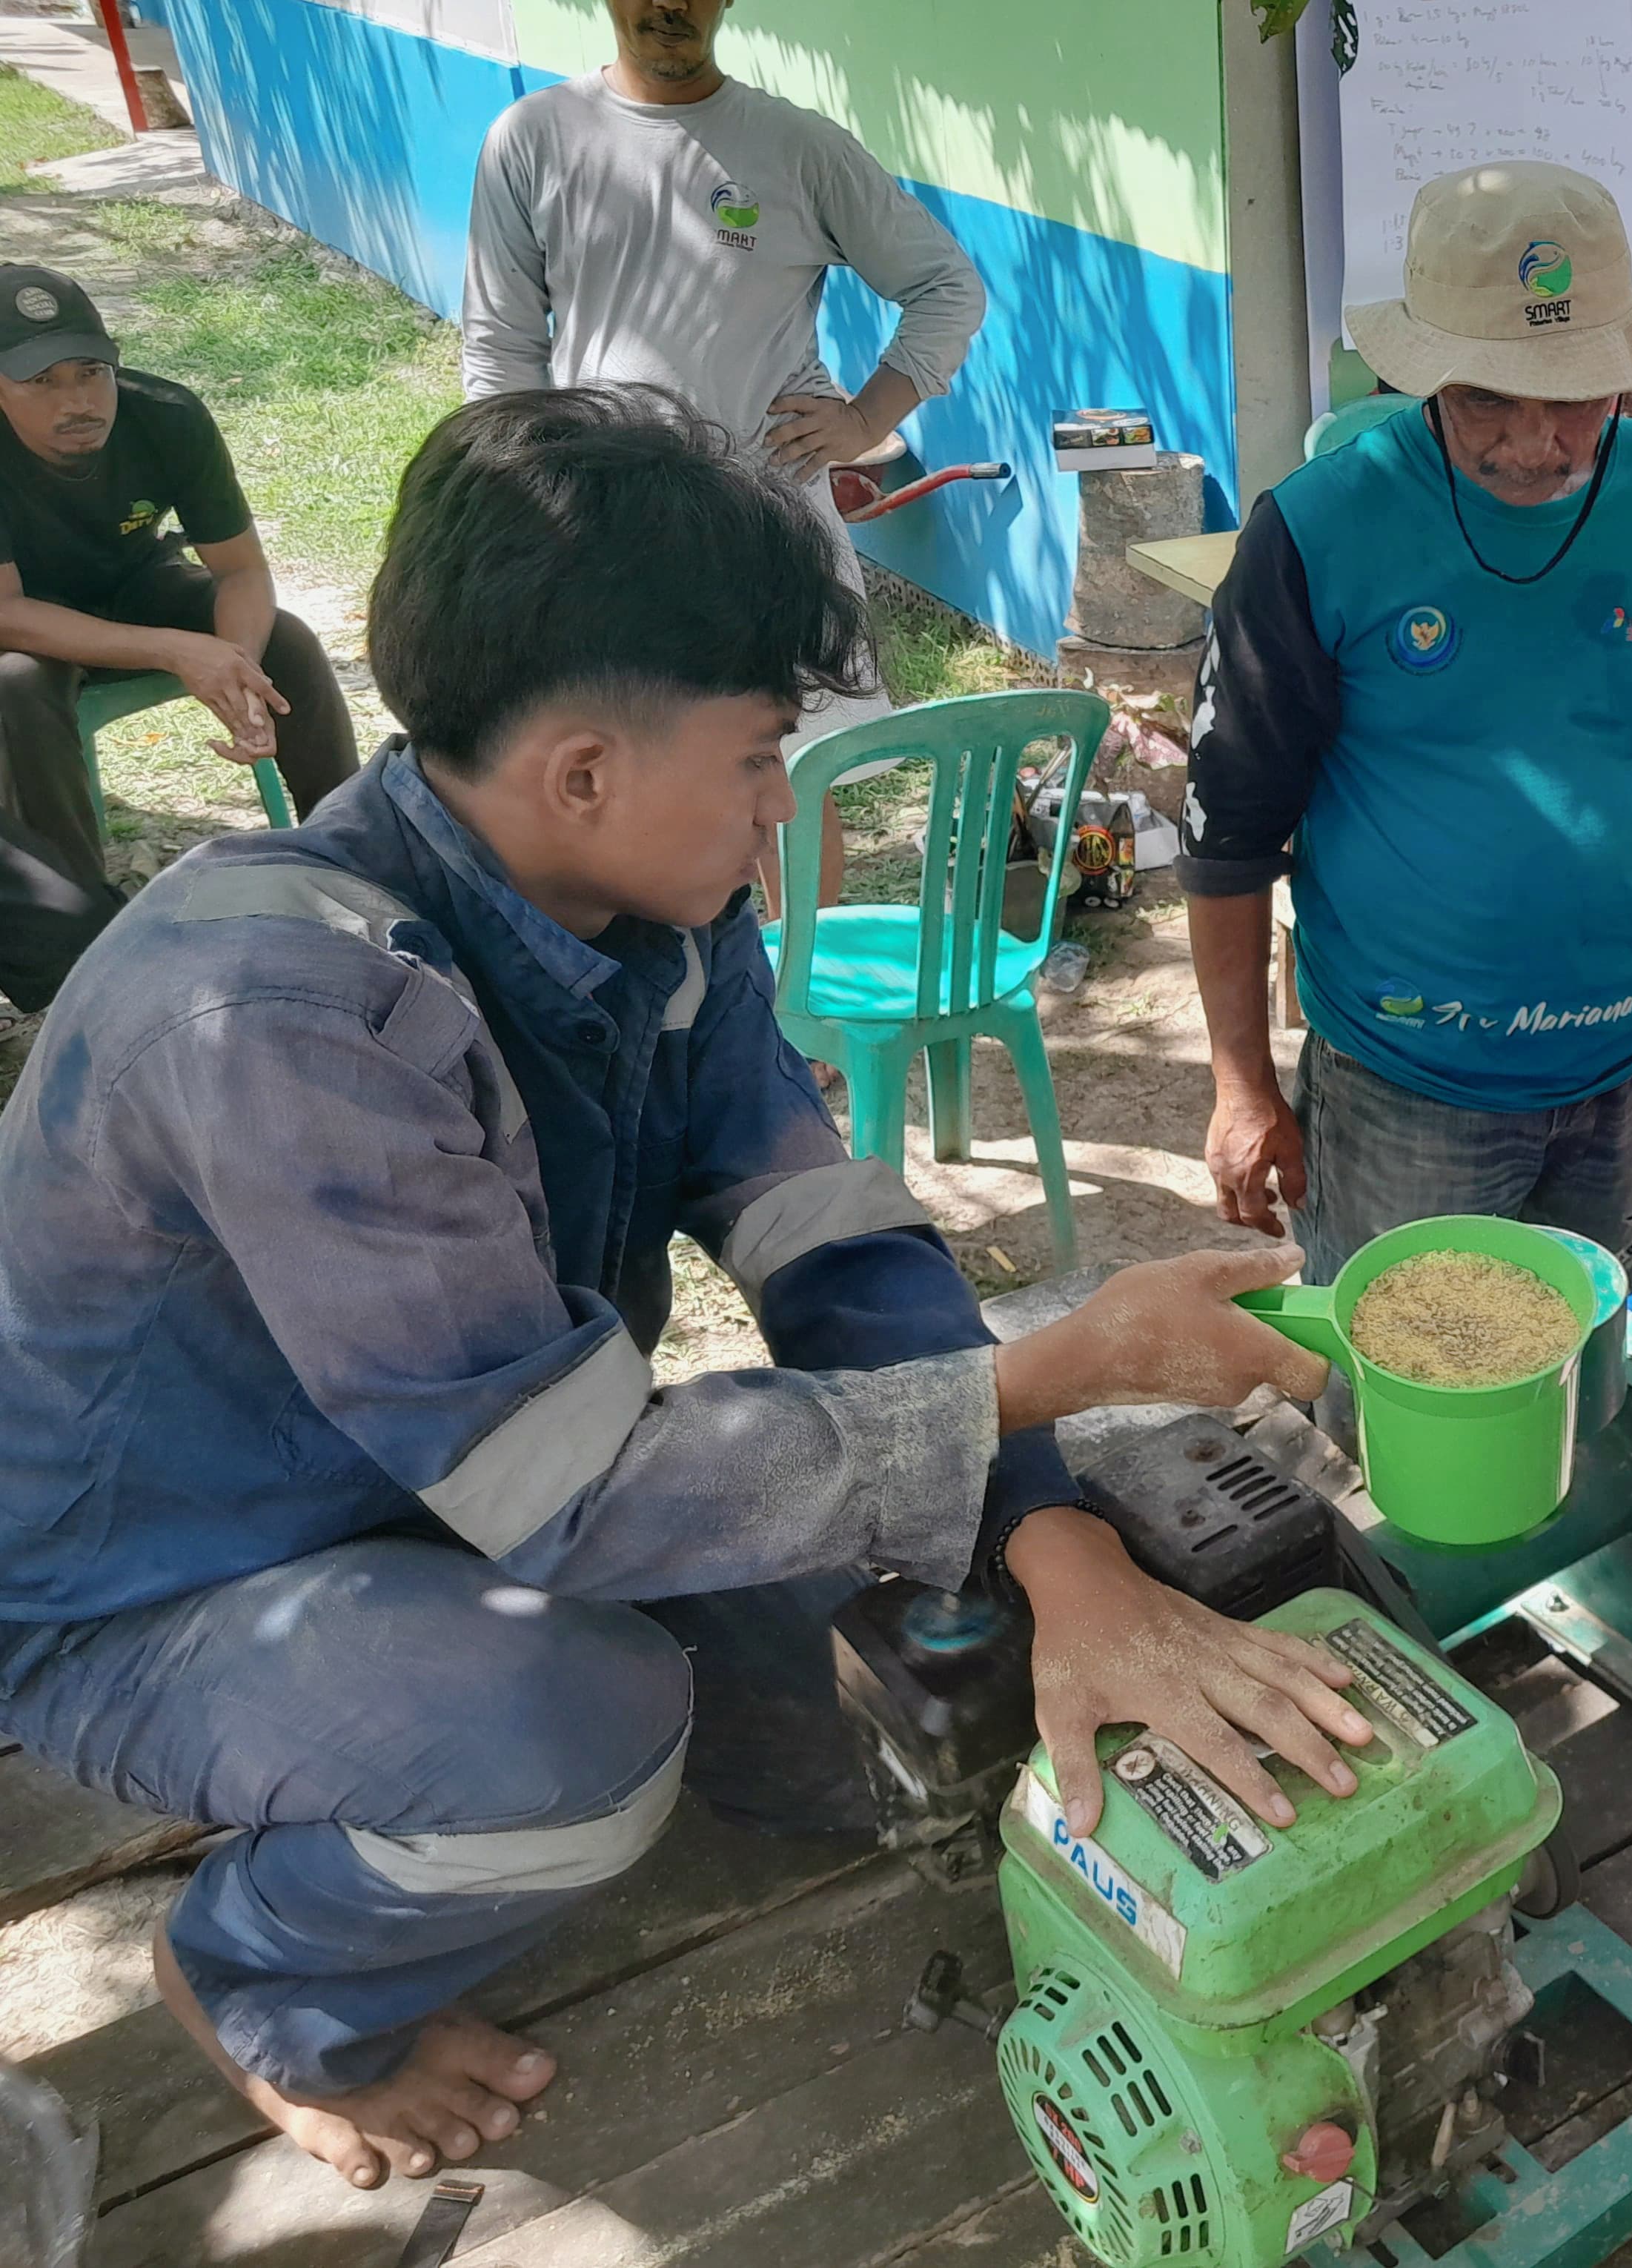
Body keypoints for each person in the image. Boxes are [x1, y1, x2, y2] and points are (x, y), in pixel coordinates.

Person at [0, 390, 1373, 2195]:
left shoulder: (653, 915)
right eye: (757, 757)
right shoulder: (284, 1020)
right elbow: (558, 1493)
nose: (780, 807)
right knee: (577, 1733)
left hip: (433, 1484)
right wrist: (1044, 1377)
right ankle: (257, 1972)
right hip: (154, 1585)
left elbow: (823, 1233)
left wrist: (1062, 1547)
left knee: (876, 1731)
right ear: (583, 771)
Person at [1182, 162, 1632, 1290]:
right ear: (1426, 373)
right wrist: (1243, 1081)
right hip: (1411, 1086)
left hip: (1630, 1058)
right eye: (1486, 398)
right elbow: (1230, 835)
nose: (1533, 443)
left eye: (1573, 396)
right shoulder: (1317, 531)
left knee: (1583, 1387)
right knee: (1397, 1404)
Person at [462, 0, 987, 908]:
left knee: (792, 776)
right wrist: (524, 504)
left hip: (771, 528)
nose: (670, 4)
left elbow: (947, 286)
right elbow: (500, 346)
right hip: (602, 533)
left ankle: (798, 1029)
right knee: (613, 772)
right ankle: (661, 1010)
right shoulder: (533, 137)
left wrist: (866, 418)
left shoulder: (797, 146)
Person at [0, 263, 357, 1008]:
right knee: (19, 687)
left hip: (133, 578)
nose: (77, 401)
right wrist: (171, 650)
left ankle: (354, 856)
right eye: (41, 382)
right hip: (28, 611)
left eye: (91, 372)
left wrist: (239, 669)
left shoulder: (165, 414)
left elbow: (240, 572)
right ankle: (79, 930)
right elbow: (7, 612)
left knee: (284, 639)